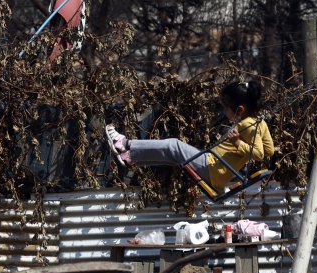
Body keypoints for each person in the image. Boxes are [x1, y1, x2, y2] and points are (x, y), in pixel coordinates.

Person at [105, 80, 275, 193]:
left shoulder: (246, 124)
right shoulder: (260, 123)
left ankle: (124, 143)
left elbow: (259, 154)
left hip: (213, 166)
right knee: (173, 156)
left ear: (240, 109)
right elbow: (269, 151)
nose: (224, 112)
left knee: (173, 145)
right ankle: (130, 157)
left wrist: (237, 142)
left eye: (226, 108)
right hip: (216, 170)